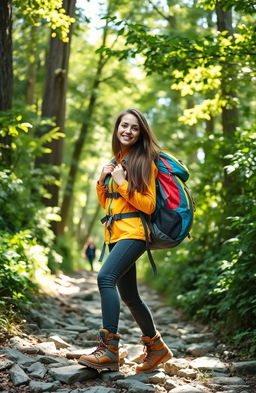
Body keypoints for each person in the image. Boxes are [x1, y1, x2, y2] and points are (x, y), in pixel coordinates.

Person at [78, 109, 173, 373]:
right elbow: (109, 205)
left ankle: (109, 348)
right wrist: (102, 181)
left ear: (141, 132)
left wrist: (120, 182)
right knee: (130, 295)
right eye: (124, 126)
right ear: (117, 128)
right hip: (115, 236)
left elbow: (149, 205)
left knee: (105, 278)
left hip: (134, 234)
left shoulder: (145, 162)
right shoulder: (117, 160)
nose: (128, 131)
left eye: (134, 128)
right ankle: (157, 348)